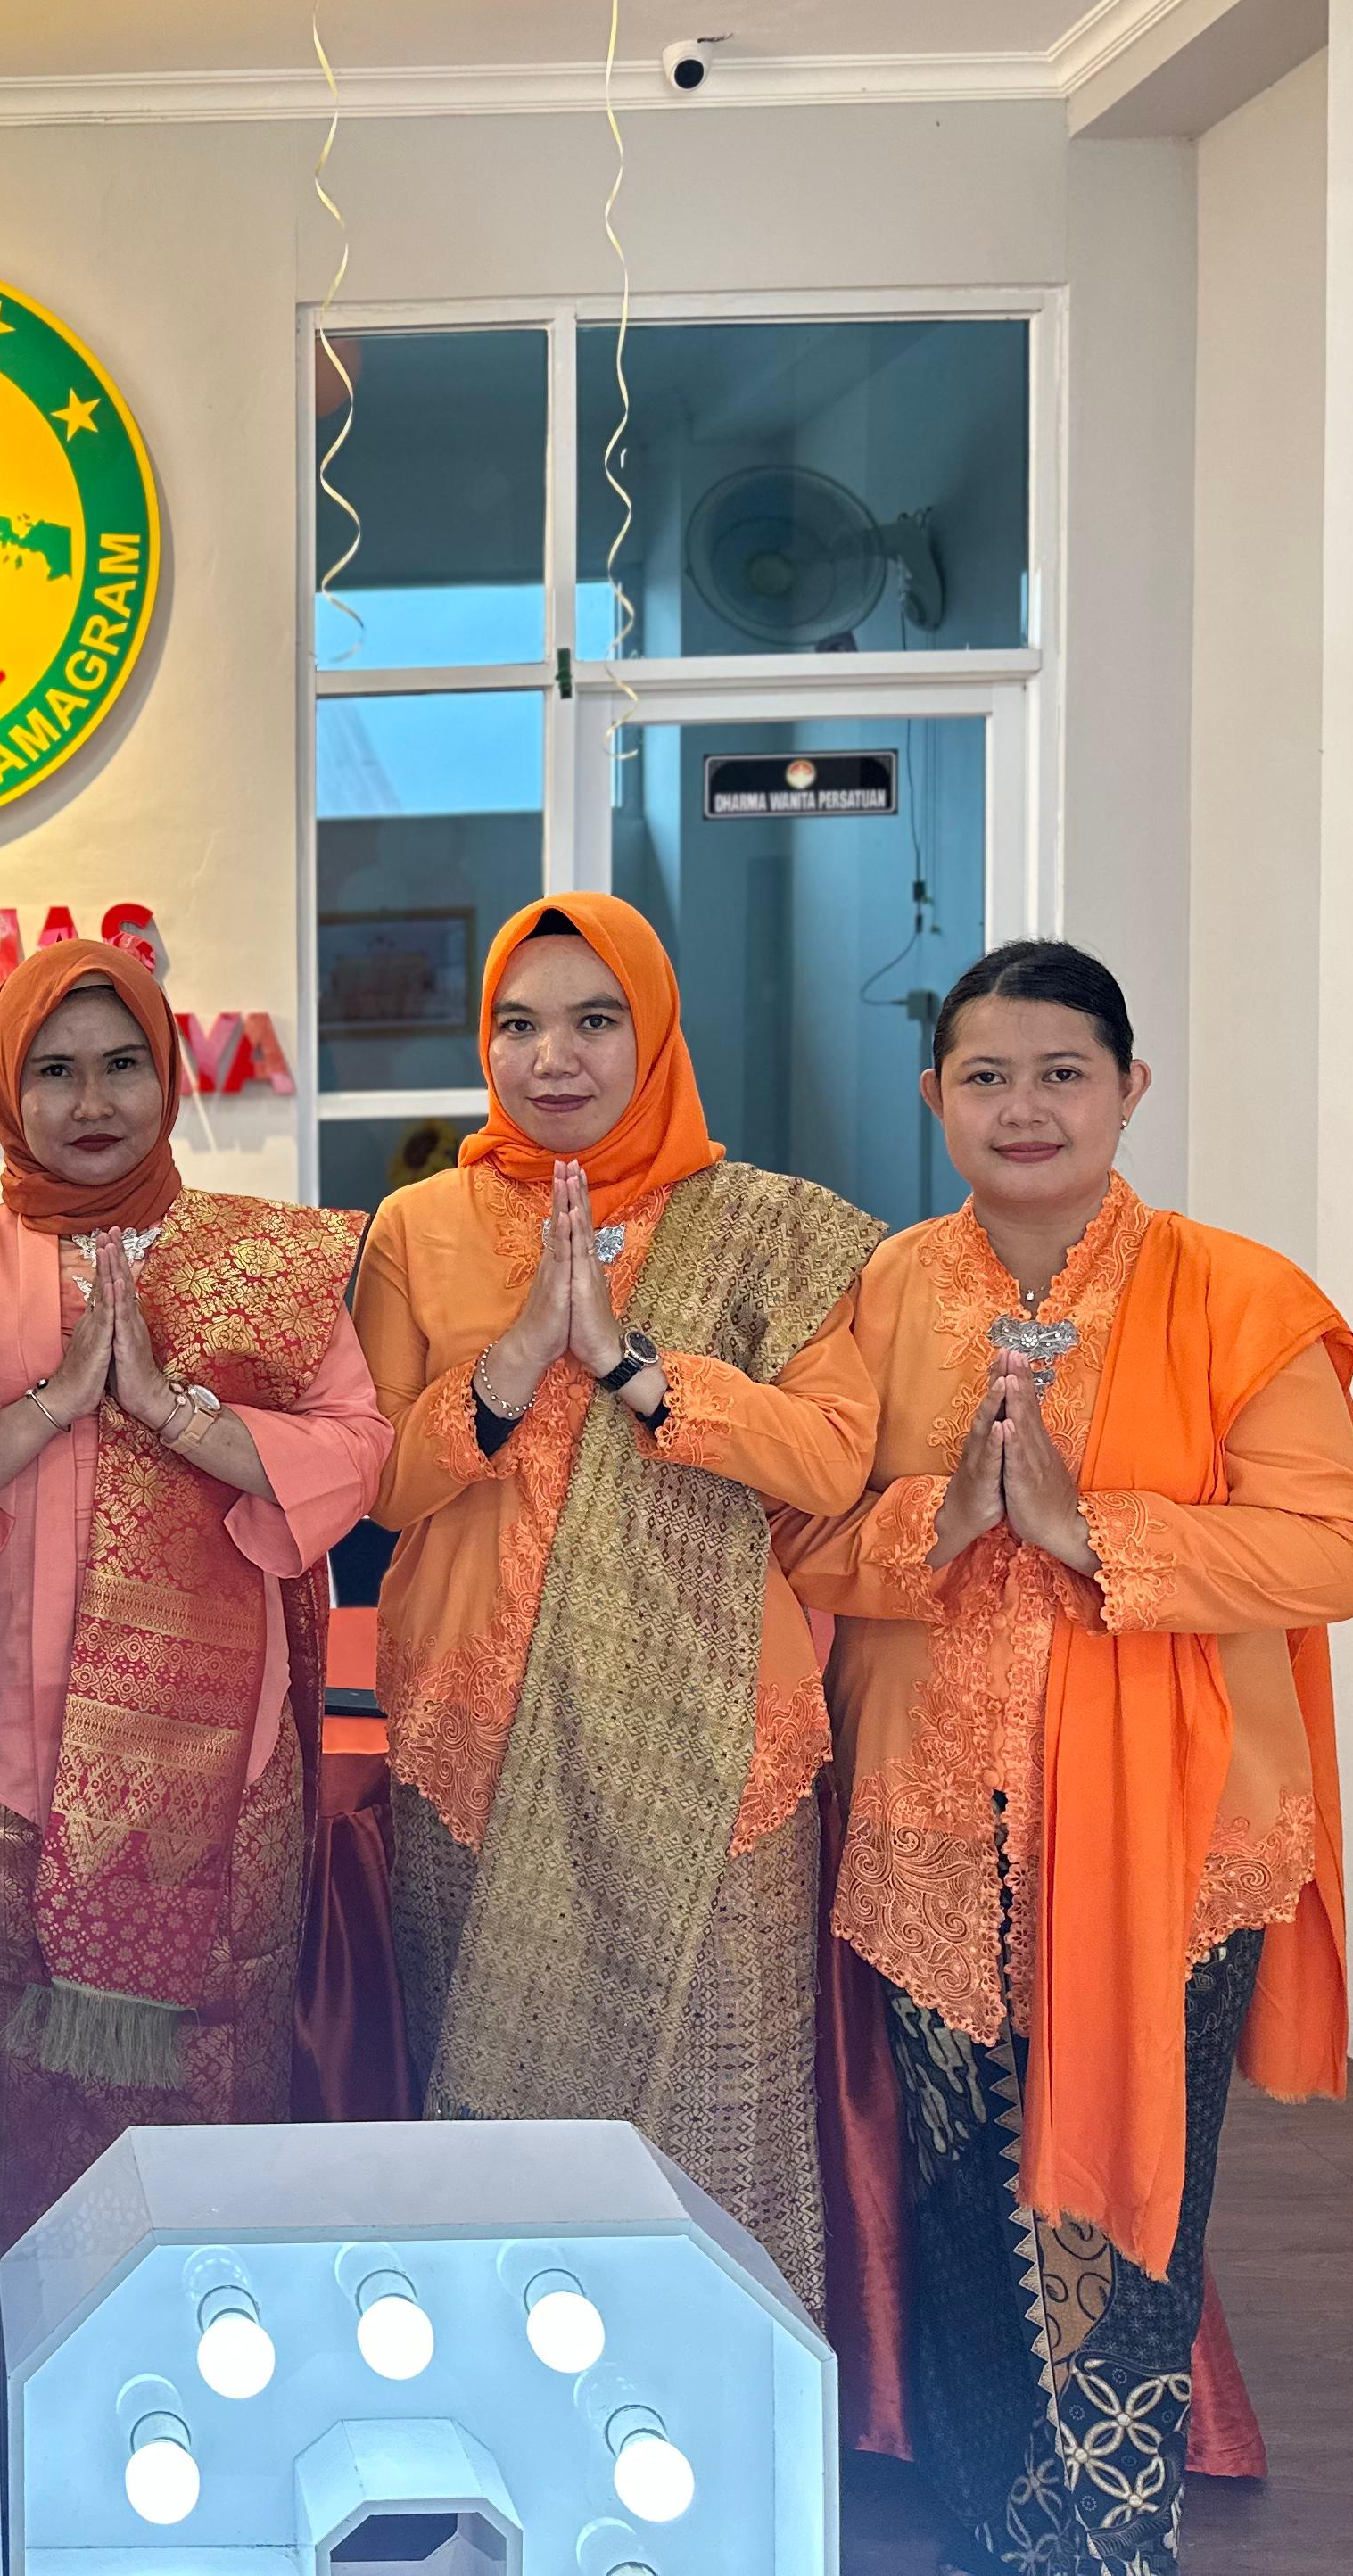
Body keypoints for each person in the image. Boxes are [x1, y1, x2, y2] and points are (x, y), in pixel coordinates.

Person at [780, 940, 1353, 2576]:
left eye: (1062, 1073)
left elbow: (1333, 1549)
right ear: (935, 1097)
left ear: (1130, 1089)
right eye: (987, 1076)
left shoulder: (1239, 1296)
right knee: (966, 2195)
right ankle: (998, 2520)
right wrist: (945, 1516)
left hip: (1169, 1834)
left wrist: (1086, 1527)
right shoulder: (886, 1295)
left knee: (1129, 2198)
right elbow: (801, 1533)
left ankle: (1111, 2533)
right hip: (930, 1824)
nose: (1024, 1106)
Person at [351, 893, 881, 2310]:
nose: (553, 1059)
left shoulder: (773, 1228)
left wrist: (635, 1368)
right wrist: (515, 1359)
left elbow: (833, 1459)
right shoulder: (419, 1226)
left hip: (708, 1753)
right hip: (479, 1742)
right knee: (496, 2146)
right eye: (518, 1025)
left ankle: (719, 2411)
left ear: (654, 1036)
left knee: (715, 2131)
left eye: (596, 1021)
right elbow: (379, 1484)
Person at [0, 939, 387, 2242]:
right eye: (54, 1071)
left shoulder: (266, 1256)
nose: (92, 1101)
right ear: (7, 1088)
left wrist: (176, 1416)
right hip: (4, 1738)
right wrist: (57, 1402)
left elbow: (358, 1447)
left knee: (204, 2103)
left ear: (170, 1077)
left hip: (220, 1756)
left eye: (123, 1065)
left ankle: (198, 2329)